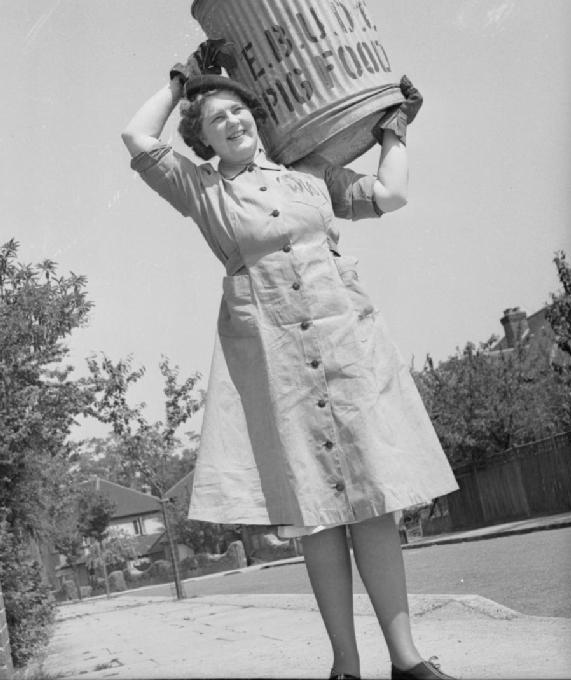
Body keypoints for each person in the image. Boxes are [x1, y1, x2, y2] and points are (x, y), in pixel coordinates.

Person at [121, 40, 459, 680]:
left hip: (347, 350)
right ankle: (345, 665)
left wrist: (395, 132)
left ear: (257, 118)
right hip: (275, 361)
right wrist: (180, 82)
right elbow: (136, 135)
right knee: (317, 515)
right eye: (216, 119)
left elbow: (390, 196)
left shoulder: (309, 177)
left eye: (239, 111)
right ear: (203, 141)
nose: (233, 122)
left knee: (374, 503)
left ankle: (407, 660)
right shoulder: (202, 192)